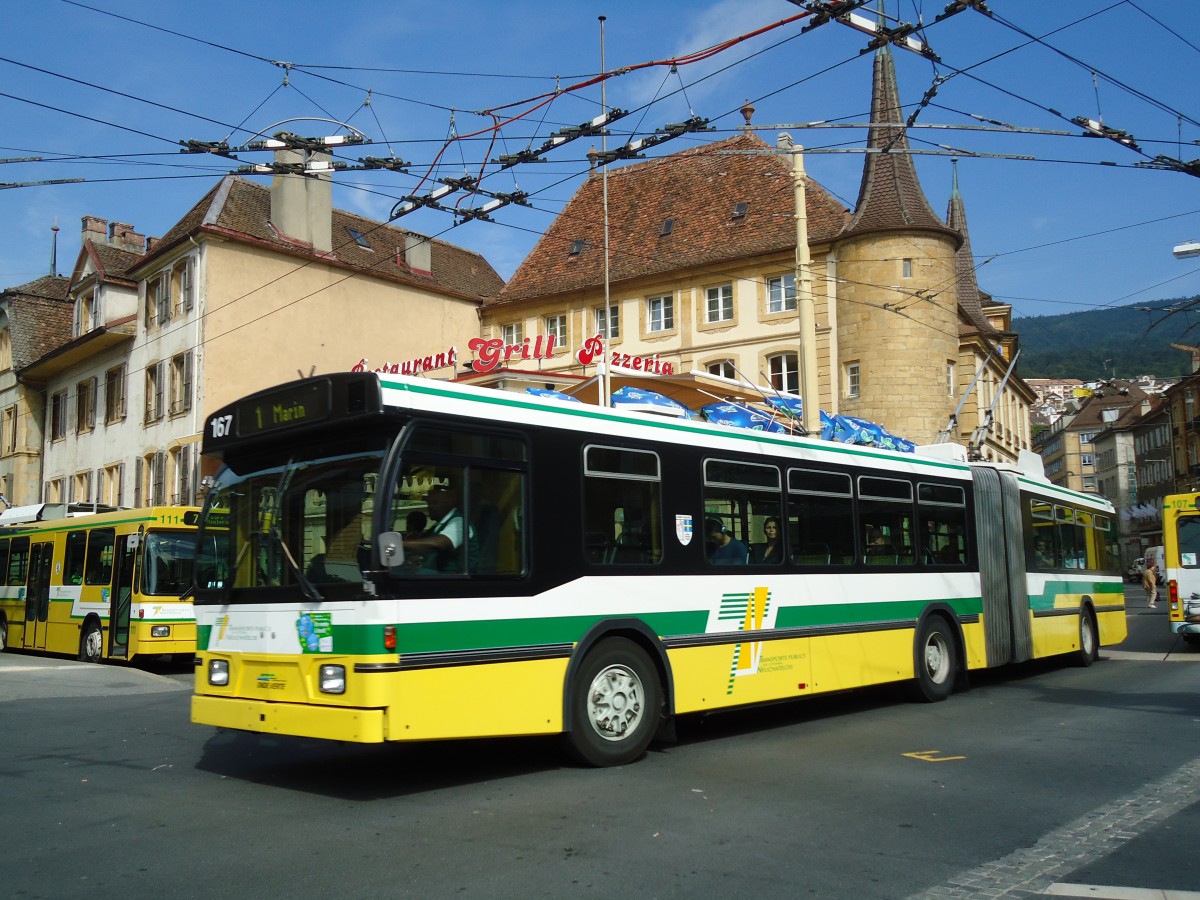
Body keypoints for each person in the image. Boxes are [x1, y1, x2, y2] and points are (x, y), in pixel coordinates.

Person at [403, 483, 475, 573]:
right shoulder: (437, 527)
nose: (431, 507)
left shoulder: (460, 522)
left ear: (449, 503)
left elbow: (439, 543)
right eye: (429, 503)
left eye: (435, 503)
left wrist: (402, 544)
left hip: (455, 579)